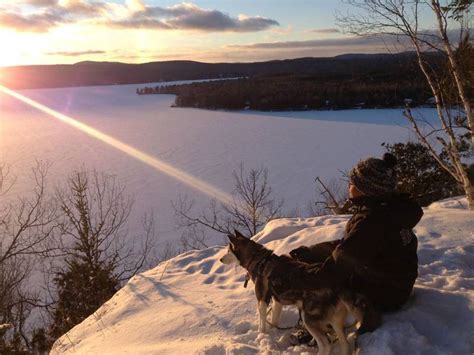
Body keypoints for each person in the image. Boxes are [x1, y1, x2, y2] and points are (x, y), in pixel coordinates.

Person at [290, 153, 423, 338]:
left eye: (353, 183)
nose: (349, 186)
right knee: (323, 269)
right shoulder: (387, 209)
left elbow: (342, 263)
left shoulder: (373, 221)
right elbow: (349, 247)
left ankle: (326, 328)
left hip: (384, 293)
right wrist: (310, 252)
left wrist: (301, 276)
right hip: (395, 284)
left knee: (323, 284)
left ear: (367, 190)